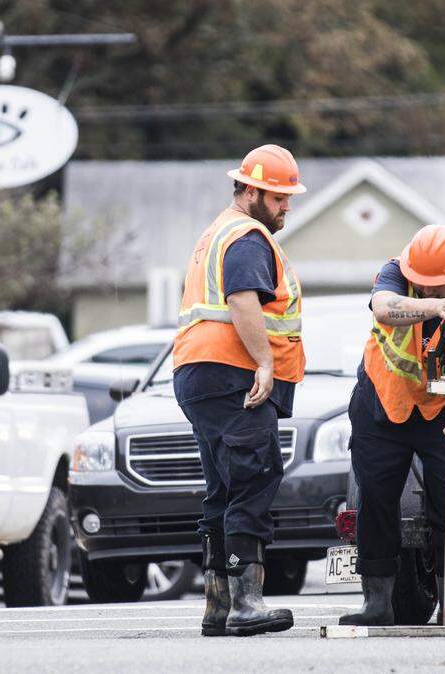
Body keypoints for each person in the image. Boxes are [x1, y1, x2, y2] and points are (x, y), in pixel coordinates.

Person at [171, 144, 306, 637]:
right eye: (278, 197)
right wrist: (265, 363)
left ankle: (218, 605)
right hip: (231, 372)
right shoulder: (247, 237)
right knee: (255, 478)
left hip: (199, 373)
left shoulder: (217, 232)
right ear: (251, 192)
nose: (286, 207)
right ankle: (247, 604)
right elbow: (242, 299)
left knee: (223, 488)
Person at [339, 224, 445, 627]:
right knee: (375, 498)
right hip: (381, 402)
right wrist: (435, 307)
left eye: (435, 288)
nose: (424, 291)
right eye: (419, 284)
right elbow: (385, 308)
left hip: (441, 412)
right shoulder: (394, 272)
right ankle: (377, 603)